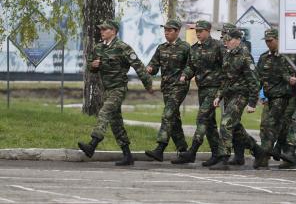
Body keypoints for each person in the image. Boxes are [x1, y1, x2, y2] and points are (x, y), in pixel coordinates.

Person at [78, 19, 153, 166]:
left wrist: (148, 85)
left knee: (104, 113)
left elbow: (138, 65)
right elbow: (90, 67)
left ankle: (92, 145)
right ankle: (127, 155)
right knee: (116, 122)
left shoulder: (122, 47)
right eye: (101, 29)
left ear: (113, 31)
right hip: (106, 90)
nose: (102, 31)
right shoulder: (98, 48)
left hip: (119, 89)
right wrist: (93, 65)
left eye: (105, 29)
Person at [210, 29, 264, 170]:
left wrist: (252, 103)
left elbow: (254, 81)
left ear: (237, 40)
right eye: (225, 40)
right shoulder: (228, 55)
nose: (226, 43)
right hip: (229, 95)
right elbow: (225, 79)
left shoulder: (245, 56)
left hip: (241, 95)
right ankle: (257, 150)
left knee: (226, 123)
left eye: (228, 40)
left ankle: (224, 158)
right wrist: (218, 96)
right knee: (236, 127)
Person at [171, 20, 222, 166]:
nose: (198, 34)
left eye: (201, 31)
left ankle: (192, 152)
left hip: (214, 88)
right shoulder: (194, 49)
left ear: (208, 30)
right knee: (209, 123)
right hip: (202, 88)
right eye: (196, 31)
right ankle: (217, 154)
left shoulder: (218, 46)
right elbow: (191, 66)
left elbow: (226, 67)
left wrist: (222, 91)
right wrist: (185, 75)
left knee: (202, 118)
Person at [144, 19, 190, 162]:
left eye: (169, 30)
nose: (166, 33)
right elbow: (154, 65)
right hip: (166, 88)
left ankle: (160, 148)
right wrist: (149, 69)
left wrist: (185, 75)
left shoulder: (185, 47)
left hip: (179, 87)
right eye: (165, 30)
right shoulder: (161, 48)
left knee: (167, 114)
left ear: (177, 31)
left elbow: (191, 66)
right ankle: (184, 151)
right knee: (174, 119)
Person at [256, 29, 296, 168]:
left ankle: (268, 156)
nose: (268, 44)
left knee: (276, 126)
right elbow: (258, 78)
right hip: (269, 98)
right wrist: (256, 96)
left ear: (278, 39)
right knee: (266, 126)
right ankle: (267, 155)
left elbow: (295, 75)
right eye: (266, 41)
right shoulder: (263, 58)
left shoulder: (288, 57)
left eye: (270, 41)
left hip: (285, 97)